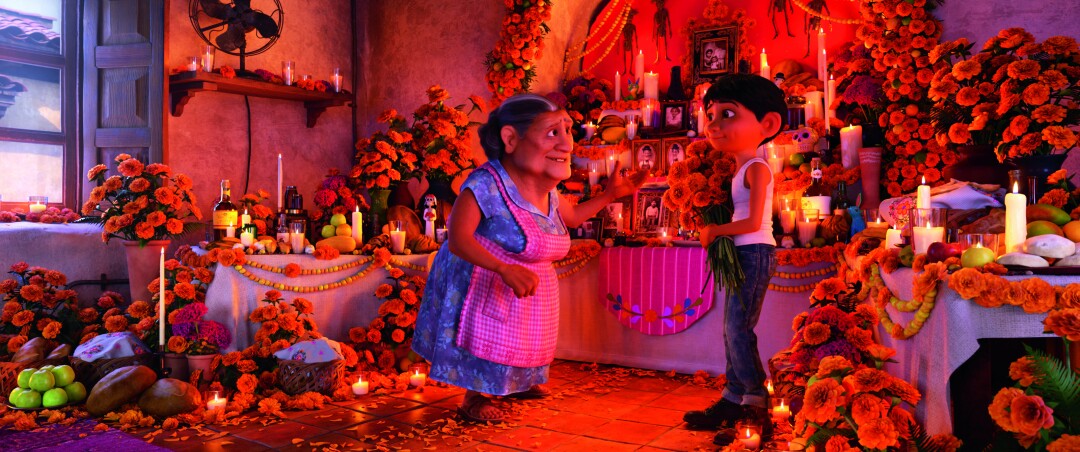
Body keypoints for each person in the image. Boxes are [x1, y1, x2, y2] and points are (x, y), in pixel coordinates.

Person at [413, 94, 647, 423]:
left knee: (524, 337)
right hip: (482, 280)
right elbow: (459, 238)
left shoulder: (545, 188)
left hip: (525, 283)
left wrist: (609, 195)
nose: (568, 144)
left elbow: (575, 217)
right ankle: (474, 398)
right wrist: (503, 268)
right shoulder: (484, 184)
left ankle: (516, 382)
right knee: (485, 339)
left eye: (568, 131)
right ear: (511, 139)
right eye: (553, 132)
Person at [681, 74, 786, 444]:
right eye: (710, 114)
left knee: (738, 329)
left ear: (768, 124)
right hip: (744, 252)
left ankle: (755, 401)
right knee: (731, 328)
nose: (714, 123)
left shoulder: (758, 168)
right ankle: (732, 396)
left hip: (755, 251)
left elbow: (755, 221)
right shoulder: (741, 169)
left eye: (727, 113)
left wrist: (716, 231)